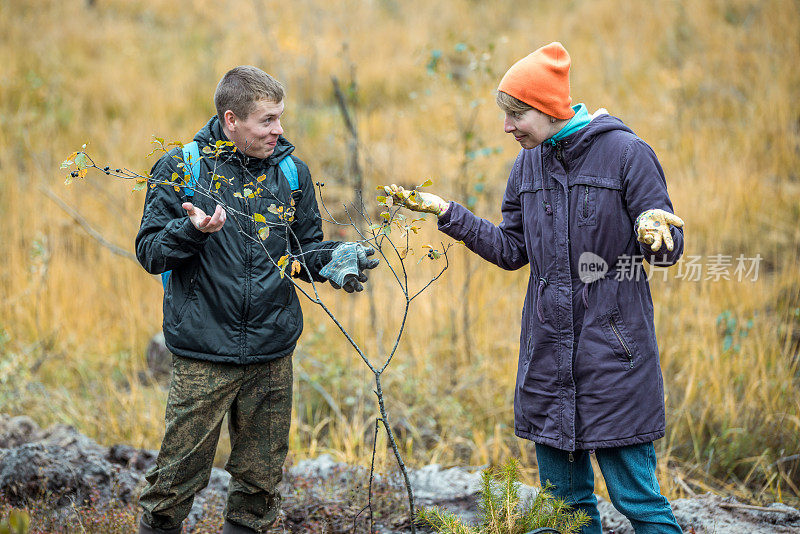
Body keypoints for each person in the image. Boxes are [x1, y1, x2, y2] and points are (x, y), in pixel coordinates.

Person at [386, 42, 684, 533]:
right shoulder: (526, 167)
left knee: (640, 504)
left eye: (516, 114)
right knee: (564, 509)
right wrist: (446, 212)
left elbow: (667, 245)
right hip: (547, 363)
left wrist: (657, 230)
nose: (507, 127)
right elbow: (511, 250)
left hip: (615, 363)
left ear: (548, 109)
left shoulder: (628, 154)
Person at [135, 65, 378, 534]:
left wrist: (334, 258)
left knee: (259, 488)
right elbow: (150, 252)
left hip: (271, 352)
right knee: (173, 485)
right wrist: (192, 229)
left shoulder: (291, 172)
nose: (279, 130)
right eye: (267, 120)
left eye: (280, 117)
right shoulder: (182, 169)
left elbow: (302, 252)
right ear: (231, 120)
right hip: (204, 353)